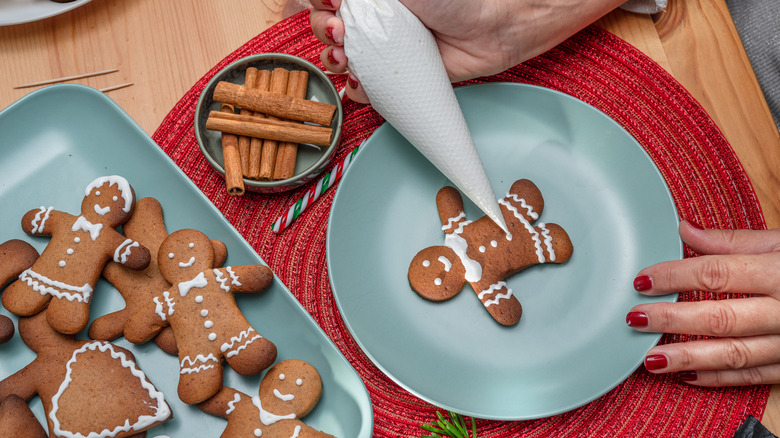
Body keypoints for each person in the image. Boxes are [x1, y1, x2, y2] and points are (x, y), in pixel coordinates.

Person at [309, 0, 780, 387]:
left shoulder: (460, 245)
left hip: (743, 123)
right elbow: (497, 294)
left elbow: (470, 247)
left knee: (527, 228)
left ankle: (537, 234)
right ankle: (538, 236)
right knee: (529, 233)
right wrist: (516, 15)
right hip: (724, 32)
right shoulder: (472, 269)